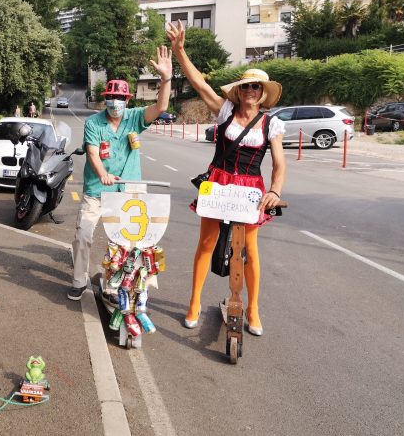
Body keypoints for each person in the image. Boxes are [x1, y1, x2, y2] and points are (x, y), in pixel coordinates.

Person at [166, 21, 286, 336]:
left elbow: (279, 164)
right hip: (218, 182)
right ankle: (193, 302)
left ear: (263, 94)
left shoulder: (271, 124)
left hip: (249, 189)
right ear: (239, 91)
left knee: (248, 251)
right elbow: (200, 84)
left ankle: (253, 309)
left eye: (256, 87)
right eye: (245, 86)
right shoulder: (225, 112)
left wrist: (274, 191)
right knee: (206, 243)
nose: (250, 91)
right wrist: (180, 51)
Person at [69, 45, 173, 301]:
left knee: (125, 243)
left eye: (120, 98)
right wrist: (102, 173)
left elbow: (160, 107)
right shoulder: (94, 123)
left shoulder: (135, 117)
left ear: (128, 101)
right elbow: (93, 153)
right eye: (111, 98)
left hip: (127, 193)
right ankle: (79, 279)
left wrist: (166, 78)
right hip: (97, 190)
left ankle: (115, 283)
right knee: (83, 234)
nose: (115, 102)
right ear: (106, 99)